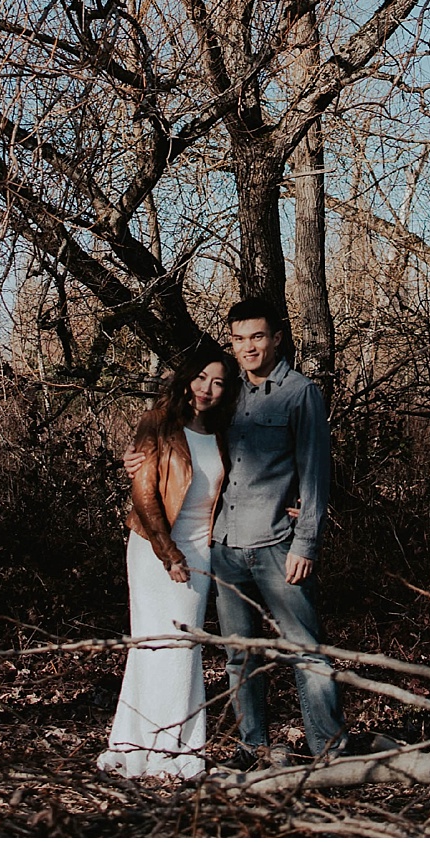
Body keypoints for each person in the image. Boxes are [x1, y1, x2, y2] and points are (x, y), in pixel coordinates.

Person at [208, 299, 347, 766]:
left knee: (306, 653)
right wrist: (140, 454)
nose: (248, 347)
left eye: (258, 337)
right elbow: (182, 434)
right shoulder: (228, 393)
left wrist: (306, 541)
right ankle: (252, 745)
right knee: (239, 657)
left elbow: (315, 473)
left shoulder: (300, 393)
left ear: (277, 339)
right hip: (226, 545)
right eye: (240, 338)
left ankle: (327, 750)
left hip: (277, 547)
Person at [97, 341, 239, 781]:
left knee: (179, 648)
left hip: (201, 550)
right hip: (156, 549)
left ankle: (151, 746)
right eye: (201, 378)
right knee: (163, 646)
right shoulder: (157, 423)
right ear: (186, 378)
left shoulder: (221, 431)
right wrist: (169, 553)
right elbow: (143, 494)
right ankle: (161, 751)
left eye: (218, 382)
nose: (207, 389)